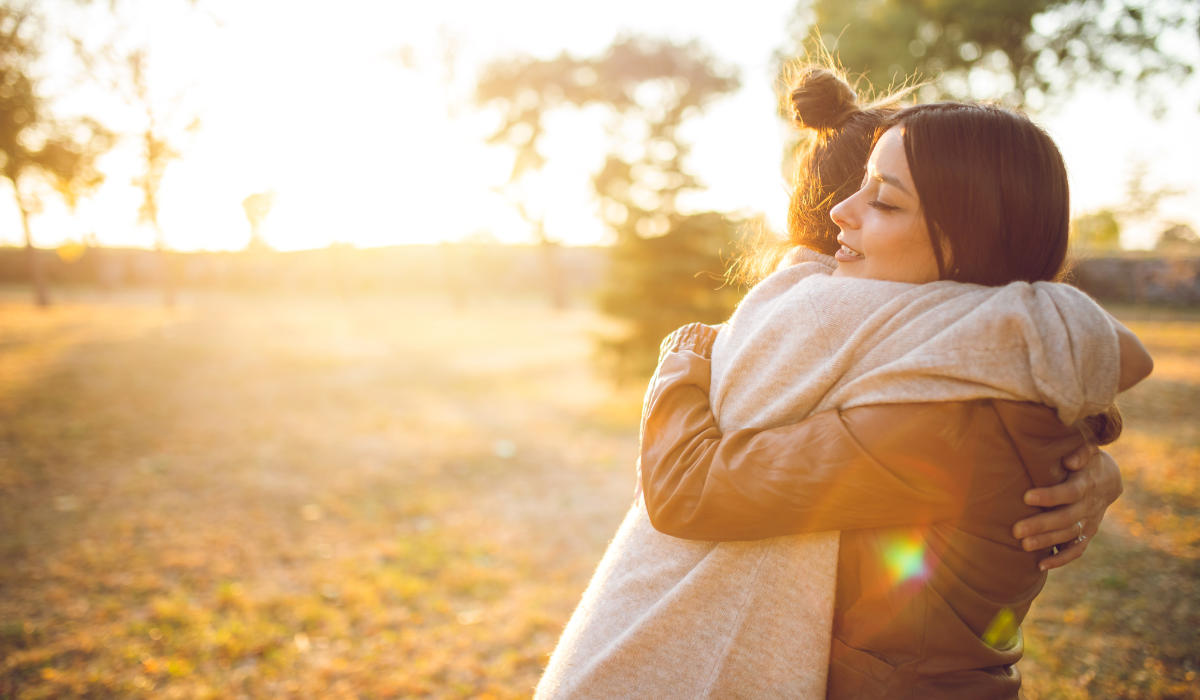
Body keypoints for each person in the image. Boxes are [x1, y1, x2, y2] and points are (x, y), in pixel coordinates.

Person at [535, 67, 1140, 700]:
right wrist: (1102, 462)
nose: (840, 213)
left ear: (972, 242)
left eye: (885, 201)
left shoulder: (953, 422)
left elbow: (690, 489)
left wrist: (684, 353)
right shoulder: (957, 376)